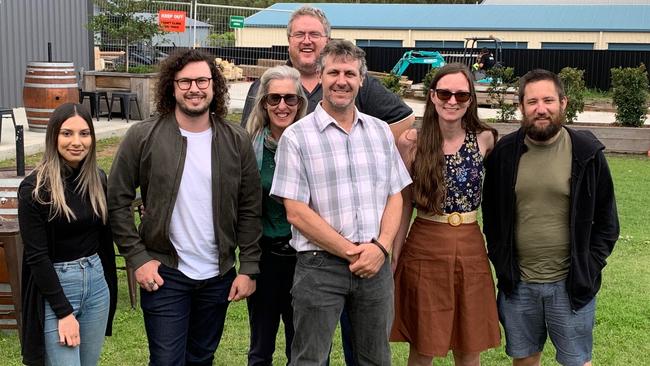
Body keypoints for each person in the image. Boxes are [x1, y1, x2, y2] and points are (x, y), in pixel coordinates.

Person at [107, 49, 262, 366]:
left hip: (217, 274)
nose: (195, 88)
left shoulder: (236, 140)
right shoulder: (143, 136)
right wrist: (137, 258)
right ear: (172, 86)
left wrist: (248, 267)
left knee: (202, 358)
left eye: (202, 80)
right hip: (165, 272)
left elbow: (249, 207)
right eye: (186, 81)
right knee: (166, 361)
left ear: (214, 85)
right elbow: (117, 198)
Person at [270, 39, 411, 366]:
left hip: (375, 265)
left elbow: (396, 194)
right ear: (319, 76)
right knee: (310, 359)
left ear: (362, 80)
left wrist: (381, 247)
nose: (341, 80)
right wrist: (351, 251)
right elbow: (296, 211)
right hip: (319, 266)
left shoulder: (378, 132)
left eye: (350, 73)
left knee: (375, 359)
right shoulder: (297, 136)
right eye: (333, 72)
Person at [482, 69, 619, 366]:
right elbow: (491, 218)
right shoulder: (504, 154)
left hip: (569, 286)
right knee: (525, 360)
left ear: (563, 103)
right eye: (532, 102)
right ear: (521, 106)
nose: (540, 109)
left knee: (576, 361)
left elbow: (608, 223)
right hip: (519, 286)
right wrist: (503, 264)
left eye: (548, 100)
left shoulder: (587, 153)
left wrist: (589, 266)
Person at [390, 63, 500, 366]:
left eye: (461, 95)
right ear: (433, 97)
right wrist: (394, 254)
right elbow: (404, 203)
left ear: (471, 99)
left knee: (469, 343)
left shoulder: (486, 139)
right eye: (445, 93)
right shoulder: (411, 142)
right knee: (423, 345)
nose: (452, 101)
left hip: (470, 248)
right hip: (424, 246)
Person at [18, 102, 117, 366]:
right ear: (53, 137)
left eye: (84, 133)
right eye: (67, 133)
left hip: (96, 284)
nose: (77, 142)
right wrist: (63, 313)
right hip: (56, 287)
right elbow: (37, 258)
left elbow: (106, 237)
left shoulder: (97, 180)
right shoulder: (35, 190)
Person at [241, 5, 415, 142]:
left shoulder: (352, 83)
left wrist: (363, 146)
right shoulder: (267, 85)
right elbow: (248, 137)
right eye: (299, 34)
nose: (306, 41)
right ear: (289, 41)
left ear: (328, 40)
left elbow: (405, 118)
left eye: (314, 34)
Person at [245, 65, 307, 366]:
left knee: (304, 347)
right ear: (264, 103)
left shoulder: (313, 145)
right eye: (274, 99)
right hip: (265, 257)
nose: (282, 106)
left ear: (300, 103)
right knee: (260, 348)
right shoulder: (248, 146)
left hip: (306, 259)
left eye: (290, 99)